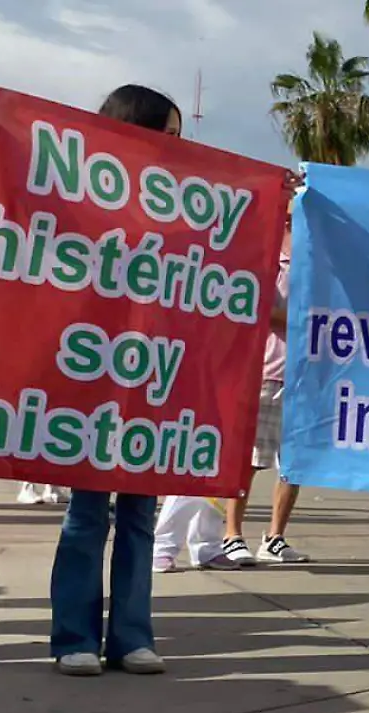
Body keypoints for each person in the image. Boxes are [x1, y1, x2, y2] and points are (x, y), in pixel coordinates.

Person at [46, 85, 188, 677]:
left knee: (139, 514)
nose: (181, 148)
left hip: (152, 377)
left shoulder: (188, 203)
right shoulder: (86, 198)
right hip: (94, 374)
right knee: (87, 512)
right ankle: (73, 636)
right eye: (172, 135)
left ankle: (131, 636)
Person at [219, 204, 309, 566]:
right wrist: (304, 321)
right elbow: (259, 308)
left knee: (295, 463)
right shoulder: (268, 252)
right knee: (251, 459)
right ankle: (231, 532)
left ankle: (274, 537)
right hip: (268, 369)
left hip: (304, 375)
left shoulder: (316, 252)